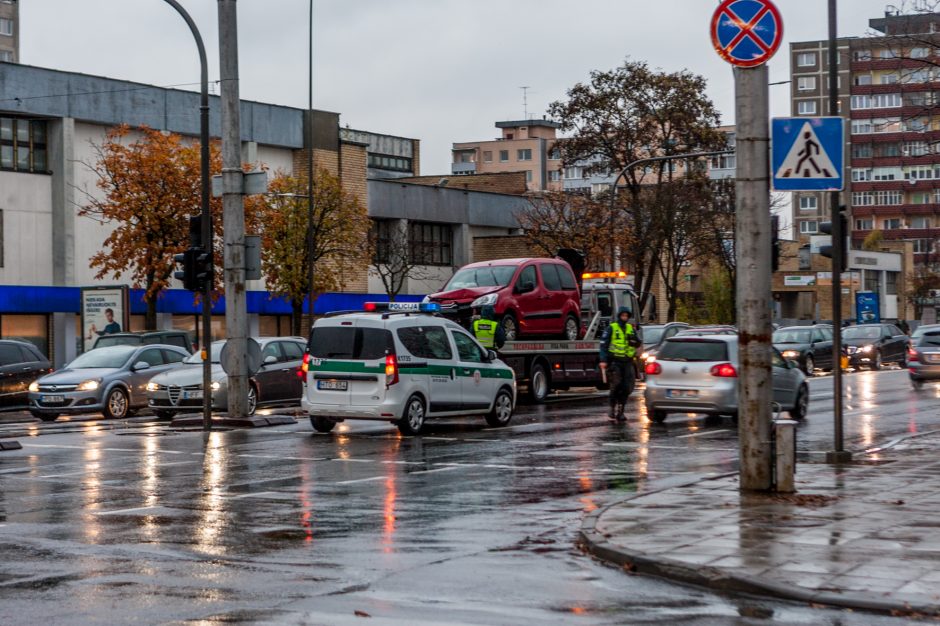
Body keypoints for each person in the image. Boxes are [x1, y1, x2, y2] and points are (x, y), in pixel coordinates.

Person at [599, 306, 641, 421]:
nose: (625, 318)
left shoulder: (630, 328)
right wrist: (603, 360)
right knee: (616, 385)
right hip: (615, 362)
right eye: (623, 315)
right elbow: (603, 345)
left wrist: (634, 341)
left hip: (627, 362)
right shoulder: (612, 328)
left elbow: (638, 343)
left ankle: (621, 411)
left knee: (626, 387)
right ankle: (612, 408)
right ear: (619, 316)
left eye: (626, 316)